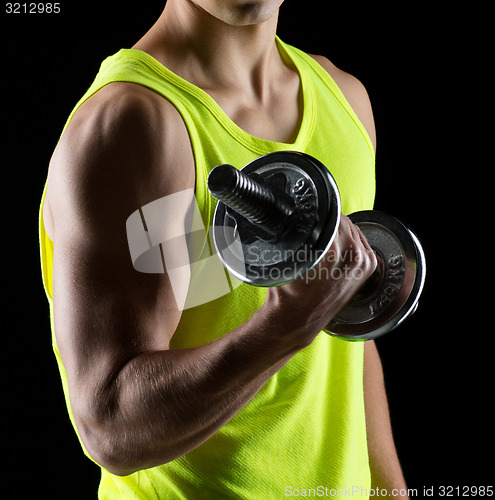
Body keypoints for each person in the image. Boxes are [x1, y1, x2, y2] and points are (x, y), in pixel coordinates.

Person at [39, 0, 410, 497]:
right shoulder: (135, 126)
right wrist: (284, 327)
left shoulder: (344, 100)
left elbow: (349, 341)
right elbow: (111, 426)